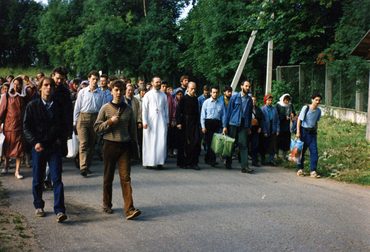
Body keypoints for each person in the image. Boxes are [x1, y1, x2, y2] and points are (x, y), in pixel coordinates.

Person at [94, 80, 141, 220]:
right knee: (108, 177)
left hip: (124, 146)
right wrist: (109, 122)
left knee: (125, 178)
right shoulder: (105, 108)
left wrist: (135, 148)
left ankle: (129, 209)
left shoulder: (128, 109)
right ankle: (107, 203)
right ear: (111, 91)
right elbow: (96, 128)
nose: (119, 93)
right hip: (109, 145)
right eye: (116, 90)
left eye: (121, 90)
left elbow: (132, 131)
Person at [23, 77, 68, 222]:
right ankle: (38, 205)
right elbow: (26, 127)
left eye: (51, 86)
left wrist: (62, 140)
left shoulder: (58, 106)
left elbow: (63, 125)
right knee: (38, 178)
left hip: (54, 146)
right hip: (39, 147)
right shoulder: (32, 106)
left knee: (57, 178)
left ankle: (60, 210)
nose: (49, 88)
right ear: (40, 87)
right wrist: (34, 142)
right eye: (46, 85)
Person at [73, 70, 104, 177]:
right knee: (84, 143)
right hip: (83, 117)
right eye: (93, 79)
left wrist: (101, 122)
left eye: (96, 79)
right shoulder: (82, 92)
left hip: (95, 118)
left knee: (91, 144)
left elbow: (102, 108)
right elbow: (77, 107)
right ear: (89, 79)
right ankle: (83, 167)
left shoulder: (100, 93)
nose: (95, 81)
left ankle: (87, 165)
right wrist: (75, 121)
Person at [0, 76, 28, 178]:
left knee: (19, 150)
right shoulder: (7, 96)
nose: (16, 86)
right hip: (9, 127)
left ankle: (17, 171)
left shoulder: (24, 96)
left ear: (21, 85)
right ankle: (6, 166)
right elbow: (1, 112)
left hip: (20, 128)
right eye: (14, 83)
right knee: (7, 148)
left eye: (18, 84)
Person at [223, 80, 254, 173]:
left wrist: (249, 127)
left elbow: (249, 114)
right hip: (233, 123)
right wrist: (225, 125)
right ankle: (228, 162)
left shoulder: (249, 100)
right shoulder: (234, 97)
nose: (248, 88)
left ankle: (245, 167)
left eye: (249, 86)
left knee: (243, 145)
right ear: (241, 86)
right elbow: (228, 112)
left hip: (244, 124)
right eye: (246, 86)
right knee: (231, 143)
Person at [142, 77, 169, 169]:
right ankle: (149, 162)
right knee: (150, 141)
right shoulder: (147, 95)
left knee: (161, 141)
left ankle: (159, 162)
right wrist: (144, 121)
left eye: (159, 82)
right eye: (156, 82)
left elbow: (166, 109)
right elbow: (144, 110)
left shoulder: (163, 95)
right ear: (152, 83)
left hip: (161, 121)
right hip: (150, 122)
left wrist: (167, 121)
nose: (158, 83)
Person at [176, 81, 201, 170]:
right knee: (185, 143)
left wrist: (199, 124)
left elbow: (197, 112)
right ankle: (184, 162)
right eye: (191, 88)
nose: (193, 90)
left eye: (194, 88)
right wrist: (178, 122)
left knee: (196, 142)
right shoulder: (183, 99)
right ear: (188, 89)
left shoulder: (196, 99)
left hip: (194, 123)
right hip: (185, 123)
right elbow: (178, 111)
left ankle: (194, 162)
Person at [296, 93, 322, 178]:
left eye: (319, 100)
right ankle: (300, 169)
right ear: (312, 100)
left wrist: (315, 131)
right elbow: (299, 120)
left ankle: (313, 171)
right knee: (301, 151)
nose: (317, 102)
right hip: (304, 131)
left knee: (314, 152)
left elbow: (316, 122)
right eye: (316, 100)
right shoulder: (306, 108)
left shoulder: (318, 111)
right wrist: (298, 132)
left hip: (312, 133)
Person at [200, 86, 225, 167]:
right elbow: (203, 115)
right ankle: (210, 159)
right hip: (208, 123)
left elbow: (223, 115)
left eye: (216, 92)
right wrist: (203, 126)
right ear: (210, 93)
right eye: (213, 92)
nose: (215, 94)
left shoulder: (221, 103)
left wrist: (224, 126)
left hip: (216, 123)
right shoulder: (206, 102)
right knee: (209, 142)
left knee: (215, 142)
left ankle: (211, 159)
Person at [260, 94, 280, 166]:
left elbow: (277, 120)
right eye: (268, 100)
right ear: (265, 101)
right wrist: (264, 131)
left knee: (272, 145)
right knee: (264, 145)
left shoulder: (274, 109)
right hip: (266, 128)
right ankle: (263, 159)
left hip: (273, 128)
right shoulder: (262, 109)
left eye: (271, 100)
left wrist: (277, 129)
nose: (270, 102)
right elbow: (262, 121)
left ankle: (271, 160)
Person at [276, 94, 295, 160]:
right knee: (279, 140)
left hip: (288, 126)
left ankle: (284, 155)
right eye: (285, 100)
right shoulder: (278, 105)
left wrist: (292, 115)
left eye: (288, 100)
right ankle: (278, 155)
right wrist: (284, 117)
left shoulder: (290, 105)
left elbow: (293, 113)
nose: (287, 102)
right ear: (283, 99)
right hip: (280, 125)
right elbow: (276, 115)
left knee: (287, 140)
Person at [250, 96, 263, 167]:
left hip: (256, 129)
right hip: (248, 129)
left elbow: (261, 119)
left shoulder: (258, 109)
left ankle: (254, 161)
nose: (253, 102)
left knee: (255, 145)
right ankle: (242, 159)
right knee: (245, 145)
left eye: (254, 100)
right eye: (252, 100)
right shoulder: (247, 108)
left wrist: (260, 127)